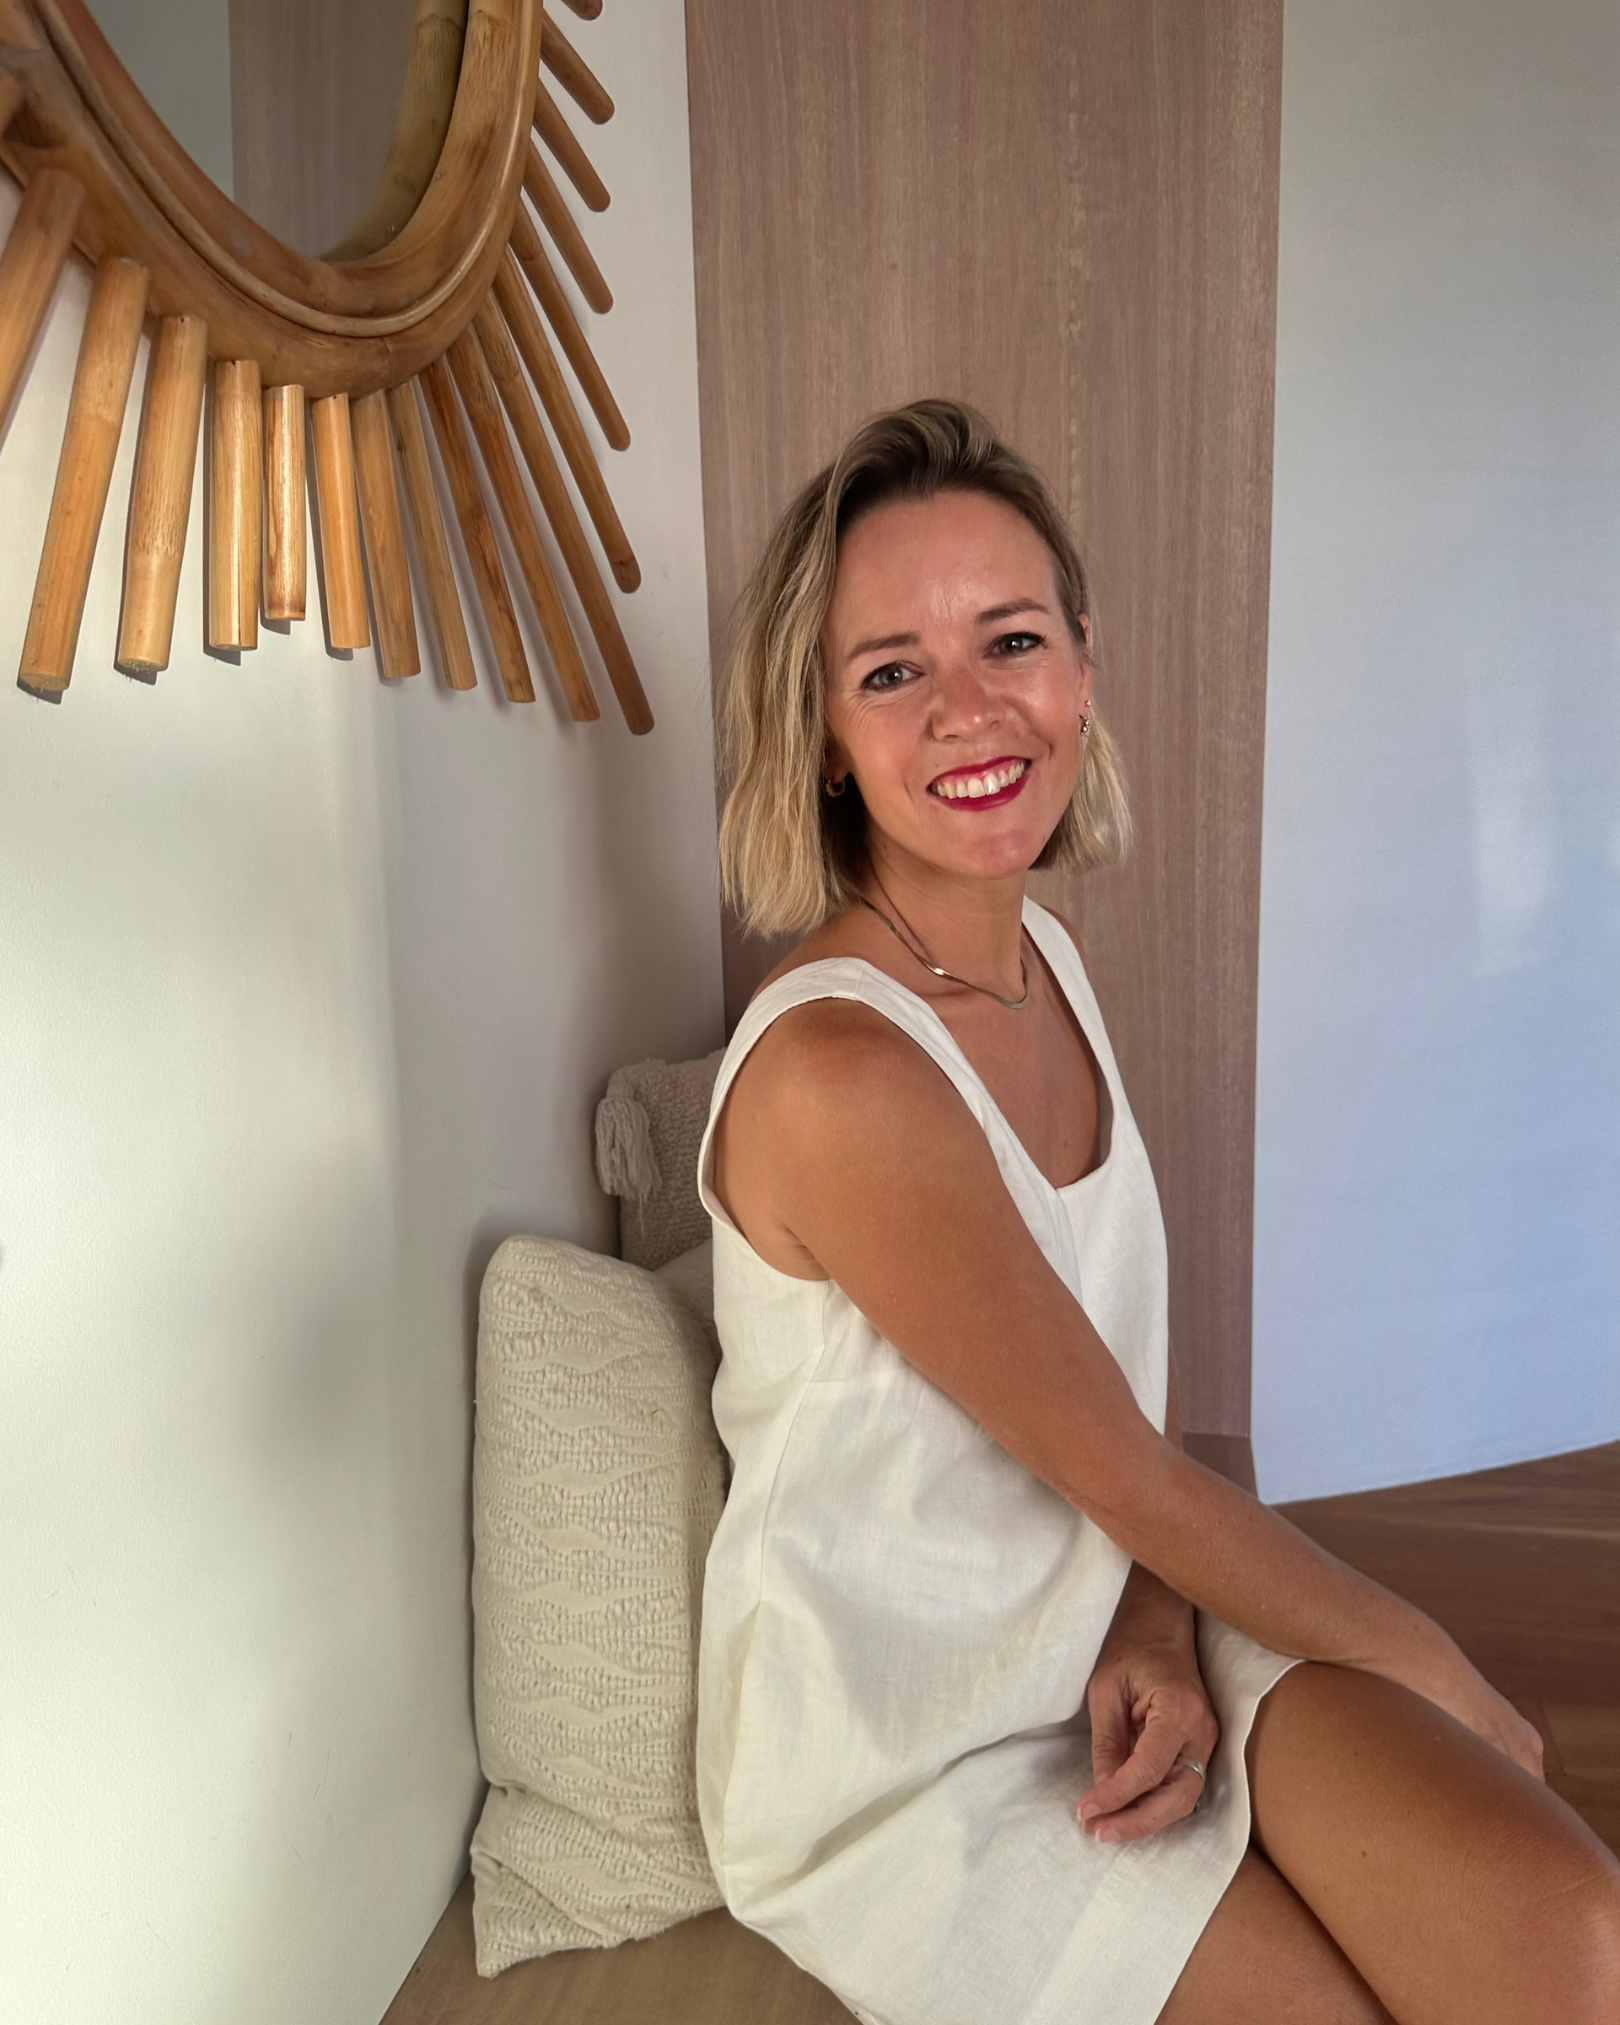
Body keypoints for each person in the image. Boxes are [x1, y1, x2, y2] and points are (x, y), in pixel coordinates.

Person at [693, 398, 1620, 2024]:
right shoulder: (844, 1077)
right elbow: (1124, 1464)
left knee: (1568, 1937)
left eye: (1012, 639)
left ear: (1083, 664)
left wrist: (1157, 1620)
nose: (972, 709)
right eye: (893, 669)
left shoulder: (1039, 956)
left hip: (1109, 1613)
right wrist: (1444, 1669)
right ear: (825, 731)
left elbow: (1122, 1405)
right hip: (915, 1754)